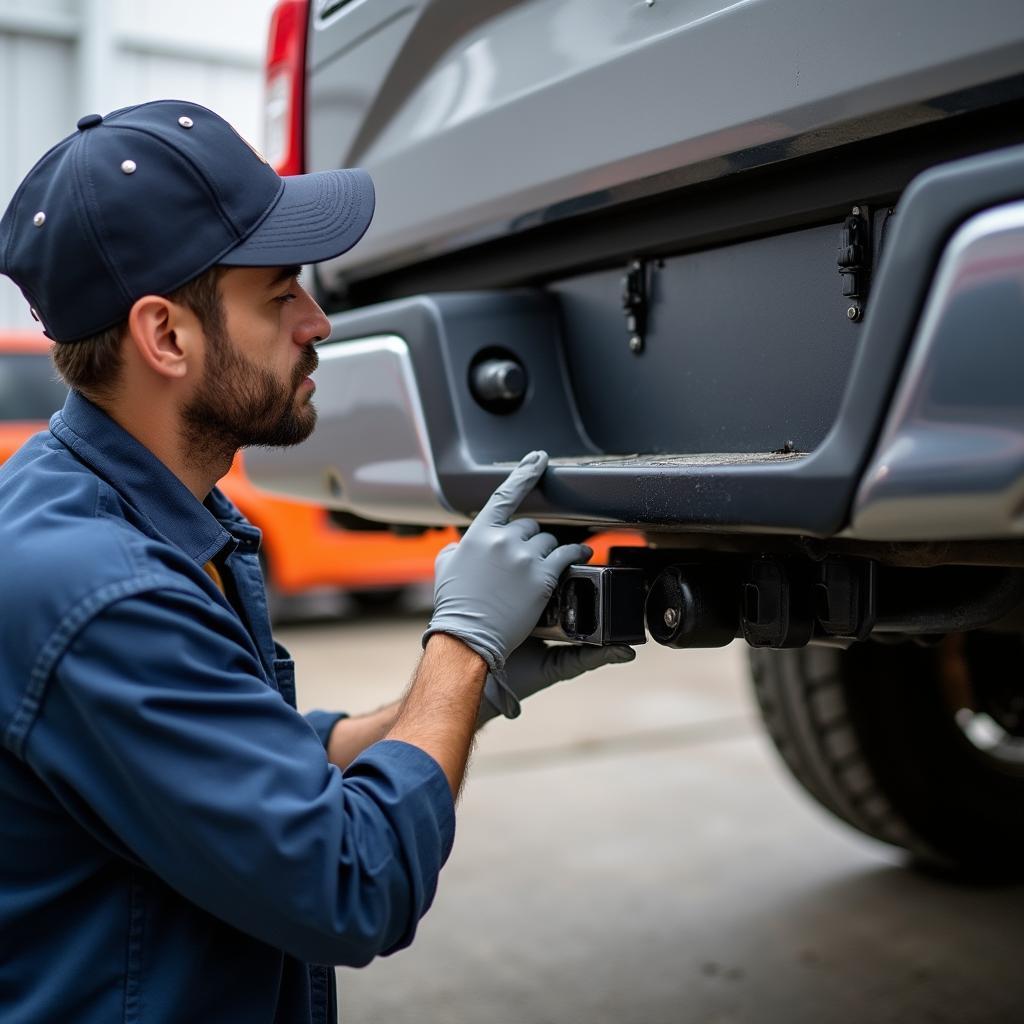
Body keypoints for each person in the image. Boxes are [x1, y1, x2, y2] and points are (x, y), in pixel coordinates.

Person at [0, 100, 635, 1023]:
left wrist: (474, 689)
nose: (318, 322)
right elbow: (351, 883)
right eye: (279, 293)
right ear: (165, 336)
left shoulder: (132, 512)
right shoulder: (102, 591)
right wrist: (457, 650)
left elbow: (255, 764)